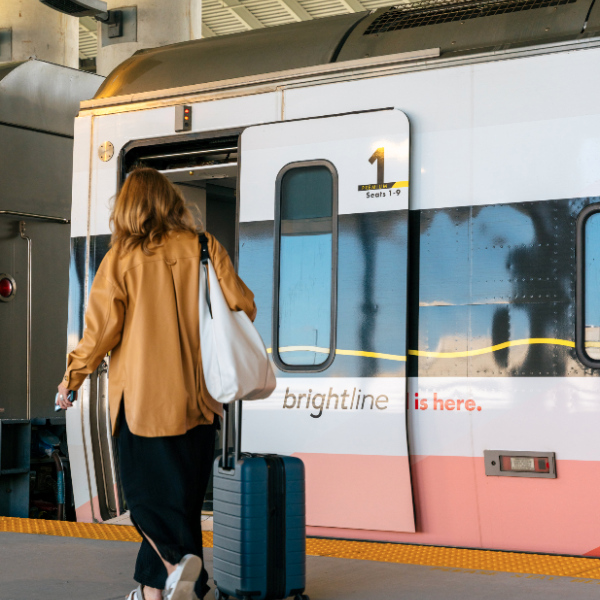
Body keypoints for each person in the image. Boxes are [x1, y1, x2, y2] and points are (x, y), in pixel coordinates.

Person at [56, 167, 256, 600]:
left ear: (127, 207)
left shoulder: (121, 260)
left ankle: (173, 565)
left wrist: (71, 380)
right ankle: (158, 592)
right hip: (202, 403)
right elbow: (244, 305)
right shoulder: (204, 246)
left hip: (143, 404)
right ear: (170, 202)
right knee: (181, 504)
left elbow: (101, 331)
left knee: (147, 503)